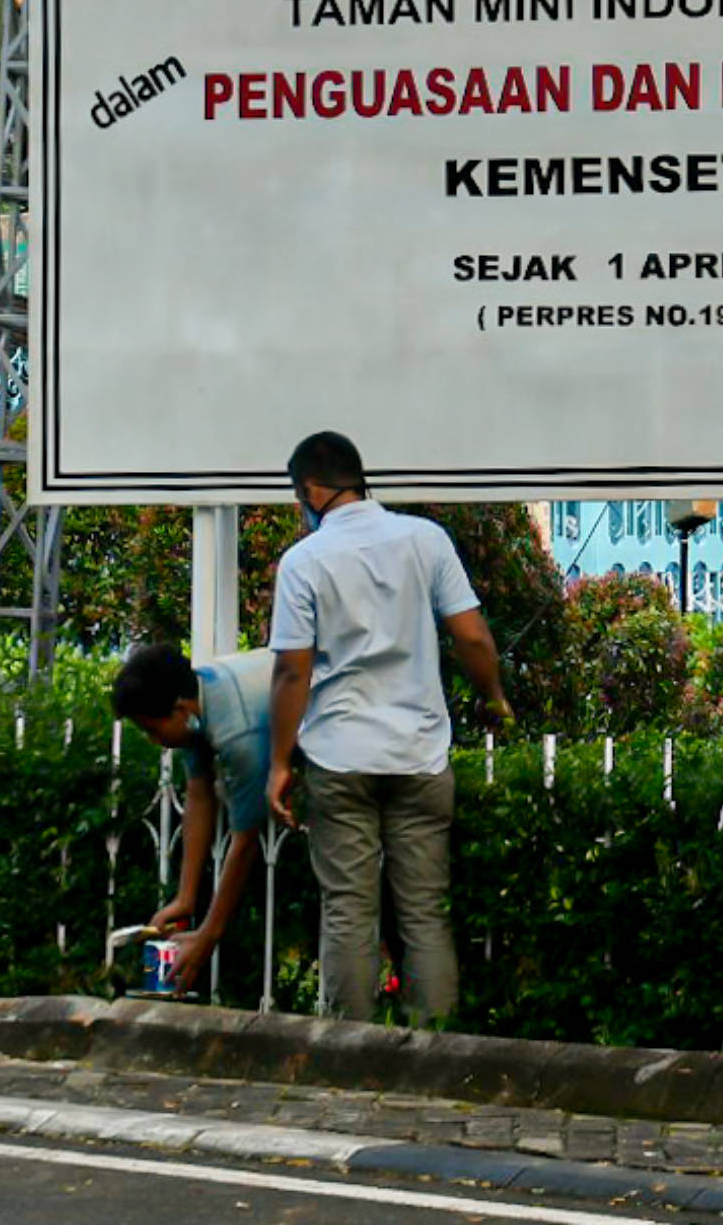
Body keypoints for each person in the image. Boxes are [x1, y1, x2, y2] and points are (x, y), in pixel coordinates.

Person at [264, 430, 511, 1023]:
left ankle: (350, 1051)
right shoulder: (425, 540)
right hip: (420, 755)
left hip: (339, 757)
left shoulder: (303, 562)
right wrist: (495, 699)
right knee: (424, 913)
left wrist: (279, 762)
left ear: (310, 490)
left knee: (349, 911)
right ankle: (434, 1048)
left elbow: (292, 672)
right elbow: (472, 636)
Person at [110, 640, 274, 995]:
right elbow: (199, 793)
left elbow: (246, 839)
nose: (152, 741)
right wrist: (185, 898)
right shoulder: (196, 701)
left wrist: (208, 936)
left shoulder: (237, 733)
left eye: (152, 730)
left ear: (181, 710)